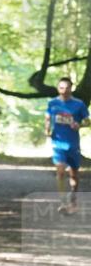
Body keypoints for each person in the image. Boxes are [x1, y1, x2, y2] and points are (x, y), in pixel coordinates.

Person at [45, 76, 89, 214]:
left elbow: (88, 121)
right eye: (61, 88)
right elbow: (47, 118)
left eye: (67, 88)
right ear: (58, 88)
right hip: (58, 143)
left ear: (71, 88)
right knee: (60, 171)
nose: (64, 90)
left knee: (74, 174)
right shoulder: (52, 103)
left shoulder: (79, 104)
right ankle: (62, 201)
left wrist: (79, 124)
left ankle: (73, 197)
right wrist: (47, 130)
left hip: (73, 144)